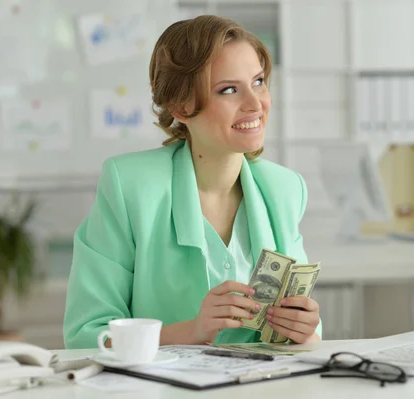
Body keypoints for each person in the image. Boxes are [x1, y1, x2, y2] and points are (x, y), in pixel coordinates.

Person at [63, 15, 322, 348]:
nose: (256, 104)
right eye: (229, 90)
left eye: (258, 82)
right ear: (181, 107)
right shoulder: (130, 187)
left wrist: (304, 330)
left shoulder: (285, 189)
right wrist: (193, 331)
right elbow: (86, 335)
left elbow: (307, 337)